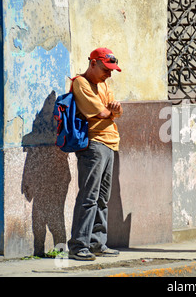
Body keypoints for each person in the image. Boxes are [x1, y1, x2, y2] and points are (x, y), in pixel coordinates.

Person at [68, 48, 124, 260]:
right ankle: (78, 245)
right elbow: (101, 112)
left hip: (110, 143)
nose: (109, 74)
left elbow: (115, 111)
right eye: (105, 69)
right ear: (92, 63)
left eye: (111, 70)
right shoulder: (80, 83)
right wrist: (112, 111)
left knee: (102, 198)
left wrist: (113, 111)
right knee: (88, 196)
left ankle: (97, 242)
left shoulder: (104, 84)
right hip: (93, 144)